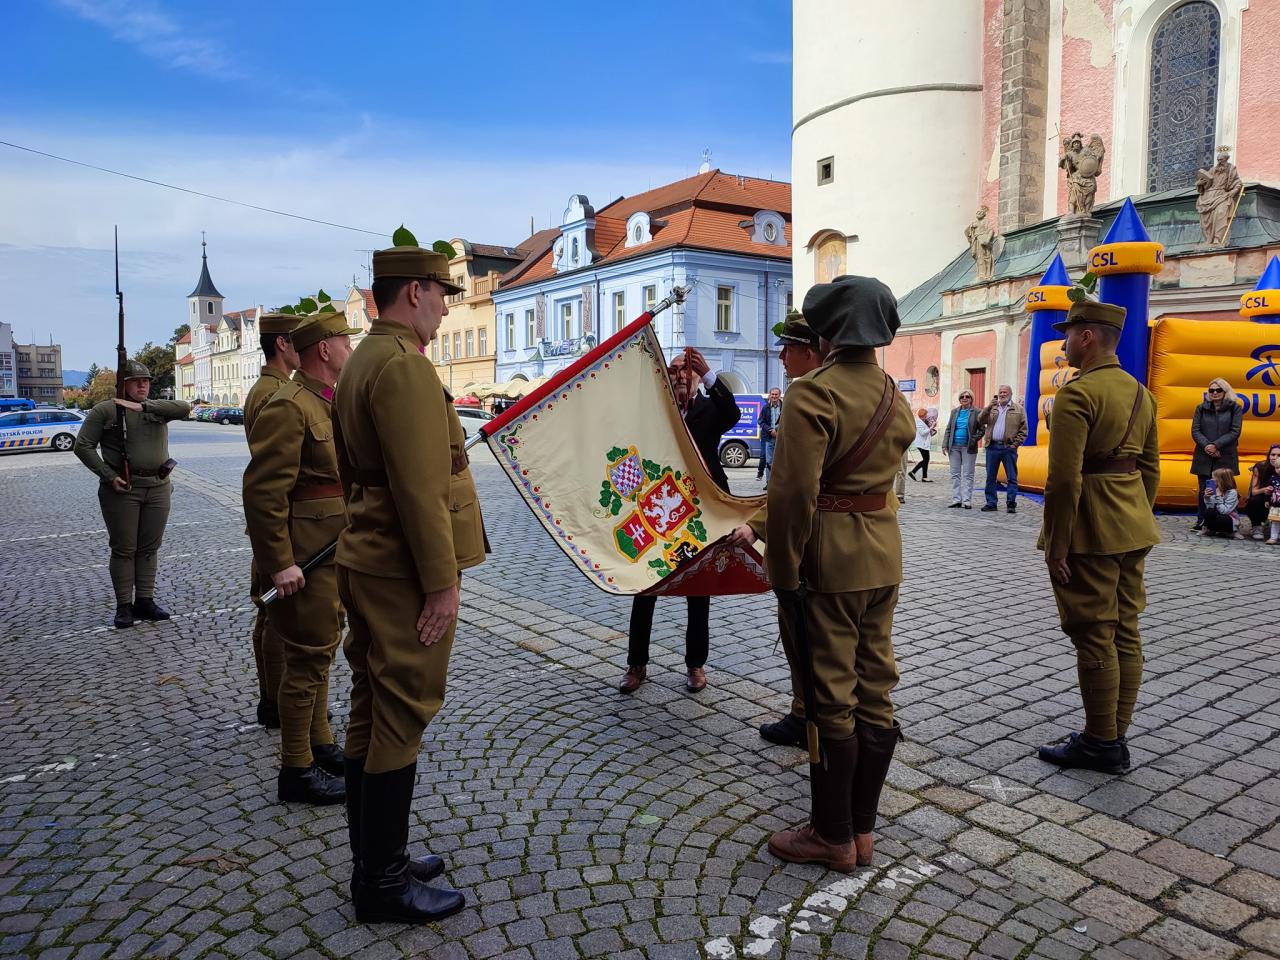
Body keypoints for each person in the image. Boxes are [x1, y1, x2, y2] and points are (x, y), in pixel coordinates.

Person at [733, 274, 915, 873]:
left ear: (828, 333)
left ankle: (831, 836)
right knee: (875, 690)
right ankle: (862, 831)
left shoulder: (813, 395)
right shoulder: (892, 395)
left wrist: (783, 572)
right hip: (882, 556)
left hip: (829, 561)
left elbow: (792, 497)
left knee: (830, 697)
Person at [332, 238, 485, 923]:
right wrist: (441, 583)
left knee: (371, 707)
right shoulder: (404, 367)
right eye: (442, 295)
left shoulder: (365, 359)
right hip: (399, 569)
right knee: (402, 710)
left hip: (367, 555)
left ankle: (374, 859)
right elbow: (420, 490)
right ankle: (383, 883)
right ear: (415, 291)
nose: (446, 310)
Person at [1037, 300, 1160, 775]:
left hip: (1089, 529)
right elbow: (1149, 468)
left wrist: (1057, 544)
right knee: (1126, 629)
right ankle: (1115, 733)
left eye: (1069, 333)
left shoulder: (1077, 394)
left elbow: (1063, 480)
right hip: (1132, 524)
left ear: (1086, 337)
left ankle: (1100, 742)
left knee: (1093, 633)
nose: (1064, 341)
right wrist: (1136, 514)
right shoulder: (1140, 393)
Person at [244, 312, 360, 806]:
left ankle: (320, 744)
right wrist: (279, 562)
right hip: (306, 556)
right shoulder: (288, 405)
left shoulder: (327, 401)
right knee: (306, 660)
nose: (350, 349)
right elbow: (263, 492)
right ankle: (296, 769)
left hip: (333, 549)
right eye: (344, 342)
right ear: (325, 350)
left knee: (322, 650)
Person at [619, 347, 740, 694]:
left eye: (686, 370)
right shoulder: (656, 411)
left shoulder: (710, 408)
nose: (680, 376)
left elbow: (731, 414)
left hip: (701, 512)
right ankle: (636, 664)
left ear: (697, 377)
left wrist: (709, 374)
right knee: (645, 588)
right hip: (659, 509)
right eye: (673, 370)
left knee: (699, 591)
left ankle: (695, 665)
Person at [751, 312, 829, 748]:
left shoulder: (808, 393)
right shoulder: (882, 388)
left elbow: (796, 487)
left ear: (809, 351)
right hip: (874, 544)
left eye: (788, 349)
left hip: (818, 539)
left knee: (805, 637)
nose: (781, 357)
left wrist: (778, 557)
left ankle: (810, 720)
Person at [73, 361, 190, 628]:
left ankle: (145, 601)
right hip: (123, 489)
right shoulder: (106, 410)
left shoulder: (156, 408)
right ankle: (124, 605)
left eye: (146, 381)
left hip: (158, 486)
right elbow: (83, 446)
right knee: (124, 549)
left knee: (150, 548)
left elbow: (184, 408)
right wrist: (108, 475)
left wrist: (144, 407)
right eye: (136, 381)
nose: (142, 385)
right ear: (122, 385)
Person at [243, 312, 304, 730]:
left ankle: (273, 700)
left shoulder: (273, 387)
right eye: (300, 340)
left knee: (270, 614)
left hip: (280, 520)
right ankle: (276, 702)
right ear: (282, 343)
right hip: (283, 521)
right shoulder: (274, 392)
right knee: (276, 617)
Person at [1190, 377, 1243, 530]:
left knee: (1226, 488)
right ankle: (1202, 520)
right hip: (1204, 455)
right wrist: (1207, 446)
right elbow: (1195, 430)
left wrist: (1216, 445)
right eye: (1211, 390)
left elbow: (1235, 431)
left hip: (1225, 455)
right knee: (1205, 489)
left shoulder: (1235, 408)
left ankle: (1227, 521)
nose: (1214, 393)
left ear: (1225, 391)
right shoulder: (1201, 408)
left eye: (1218, 390)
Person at [978, 384, 1027, 513]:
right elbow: (980, 420)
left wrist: (1015, 445)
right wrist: (988, 407)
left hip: (1008, 448)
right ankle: (991, 503)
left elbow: (1024, 430)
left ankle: (1011, 503)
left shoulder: (1018, 409)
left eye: (1005, 392)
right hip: (992, 447)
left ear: (1010, 394)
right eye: (1000, 392)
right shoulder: (993, 408)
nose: (1002, 394)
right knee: (990, 477)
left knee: (1011, 477)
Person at [942, 389, 984, 508]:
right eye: (962, 397)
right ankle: (956, 499)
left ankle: (966, 500)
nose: (964, 398)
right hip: (954, 447)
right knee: (955, 474)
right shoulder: (954, 412)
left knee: (968, 474)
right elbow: (948, 429)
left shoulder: (977, 412)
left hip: (968, 447)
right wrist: (945, 444)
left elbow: (982, 429)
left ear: (971, 399)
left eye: (967, 396)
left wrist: (974, 439)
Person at [1244, 445, 1280, 540]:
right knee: (1254, 501)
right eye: (1273, 454)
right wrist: (1264, 490)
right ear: (1269, 455)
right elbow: (1254, 492)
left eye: (1279, 455)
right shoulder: (1261, 467)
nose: (1275, 457)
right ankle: (1256, 526)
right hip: (1264, 498)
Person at [1200, 467, 1242, 539]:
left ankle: (1231, 532)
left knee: (1223, 517)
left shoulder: (1232, 493)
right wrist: (1207, 498)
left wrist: (1218, 497)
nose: (1211, 480)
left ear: (1221, 480)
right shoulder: (1215, 489)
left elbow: (1224, 511)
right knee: (1209, 512)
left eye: (1213, 478)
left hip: (1228, 520)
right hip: (1217, 517)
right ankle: (1209, 529)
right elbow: (1210, 507)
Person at [757, 387, 782, 484]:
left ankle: (779, 483)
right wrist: (770, 430)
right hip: (768, 438)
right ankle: (769, 483)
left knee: (780, 462)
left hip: (781, 438)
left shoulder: (784, 407)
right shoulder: (765, 408)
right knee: (769, 461)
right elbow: (761, 421)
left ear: (779, 395)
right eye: (772, 394)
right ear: (770, 395)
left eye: (776, 394)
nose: (774, 396)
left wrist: (778, 430)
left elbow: (788, 421)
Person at [906, 408, 935, 481]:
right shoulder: (918, 422)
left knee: (925, 460)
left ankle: (914, 473)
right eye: (926, 414)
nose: (927, 416)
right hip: (921, 444)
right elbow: (922, 433)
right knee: (926, 459)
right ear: (923, 415)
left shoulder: (922, 422)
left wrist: (931, 428)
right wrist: (931, 427)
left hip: (923, 444)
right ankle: (923, 477)